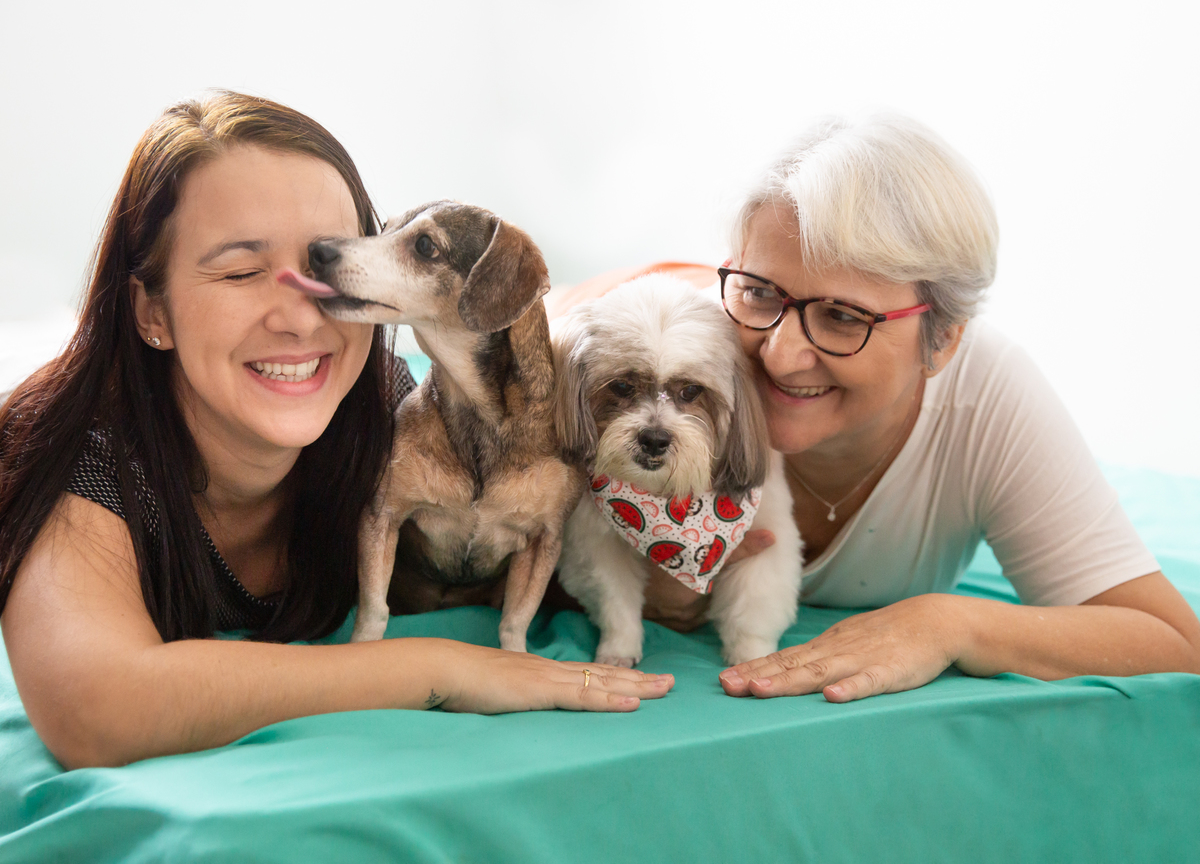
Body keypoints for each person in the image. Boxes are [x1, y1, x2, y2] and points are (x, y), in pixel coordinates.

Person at [0, 91, 672, 770]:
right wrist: (437, 671)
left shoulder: (396, 409)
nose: (301, 318)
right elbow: (97, 711)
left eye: (331, 266)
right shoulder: (83, 460)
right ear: (153, 313)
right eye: (241, 272)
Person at [552, 113, 1200, 702]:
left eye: (842, 317)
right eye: (758, 291)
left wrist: (950, 623)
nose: (779, 354)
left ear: (942, 339)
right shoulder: (659, 353)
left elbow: (1174, 643)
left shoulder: (987, 402)